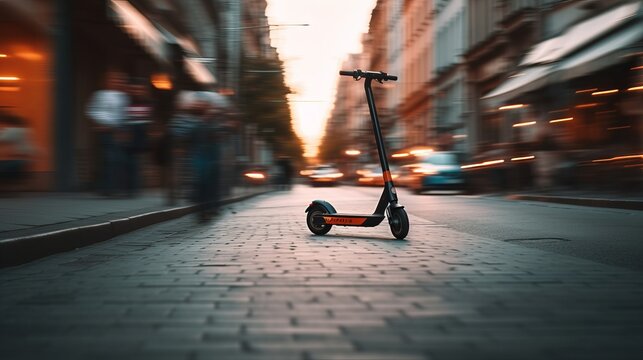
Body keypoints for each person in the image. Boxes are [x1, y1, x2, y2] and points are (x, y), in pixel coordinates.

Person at [85, 70, 129, 196]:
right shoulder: (100, 95)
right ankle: (107, 188)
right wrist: (102, 123)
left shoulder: (123, 97)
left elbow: (124, 114)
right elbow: (91, 110)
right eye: (113, 80)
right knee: (109, 159)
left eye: (118, 80)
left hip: (119, 132)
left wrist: (123, 129)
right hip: (106, 131)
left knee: (118, 160)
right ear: (107, 81)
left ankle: (114, 187)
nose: (116, 82)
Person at [123, 78, 153, 197]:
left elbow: (147, 121)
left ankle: (134, 189)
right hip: (128, 135)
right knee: (127, 163)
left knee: (136, 164)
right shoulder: (127, 102)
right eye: (134, 89)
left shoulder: (148, 103)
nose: (137, 91)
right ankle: (129, 188)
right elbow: (126, 118)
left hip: (140, 137)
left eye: (139, 89)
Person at [0, 112, 35, 184]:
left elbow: (2, 138)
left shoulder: (14, 130)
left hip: (19, 159)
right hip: (25, 158)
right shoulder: (24, 130)